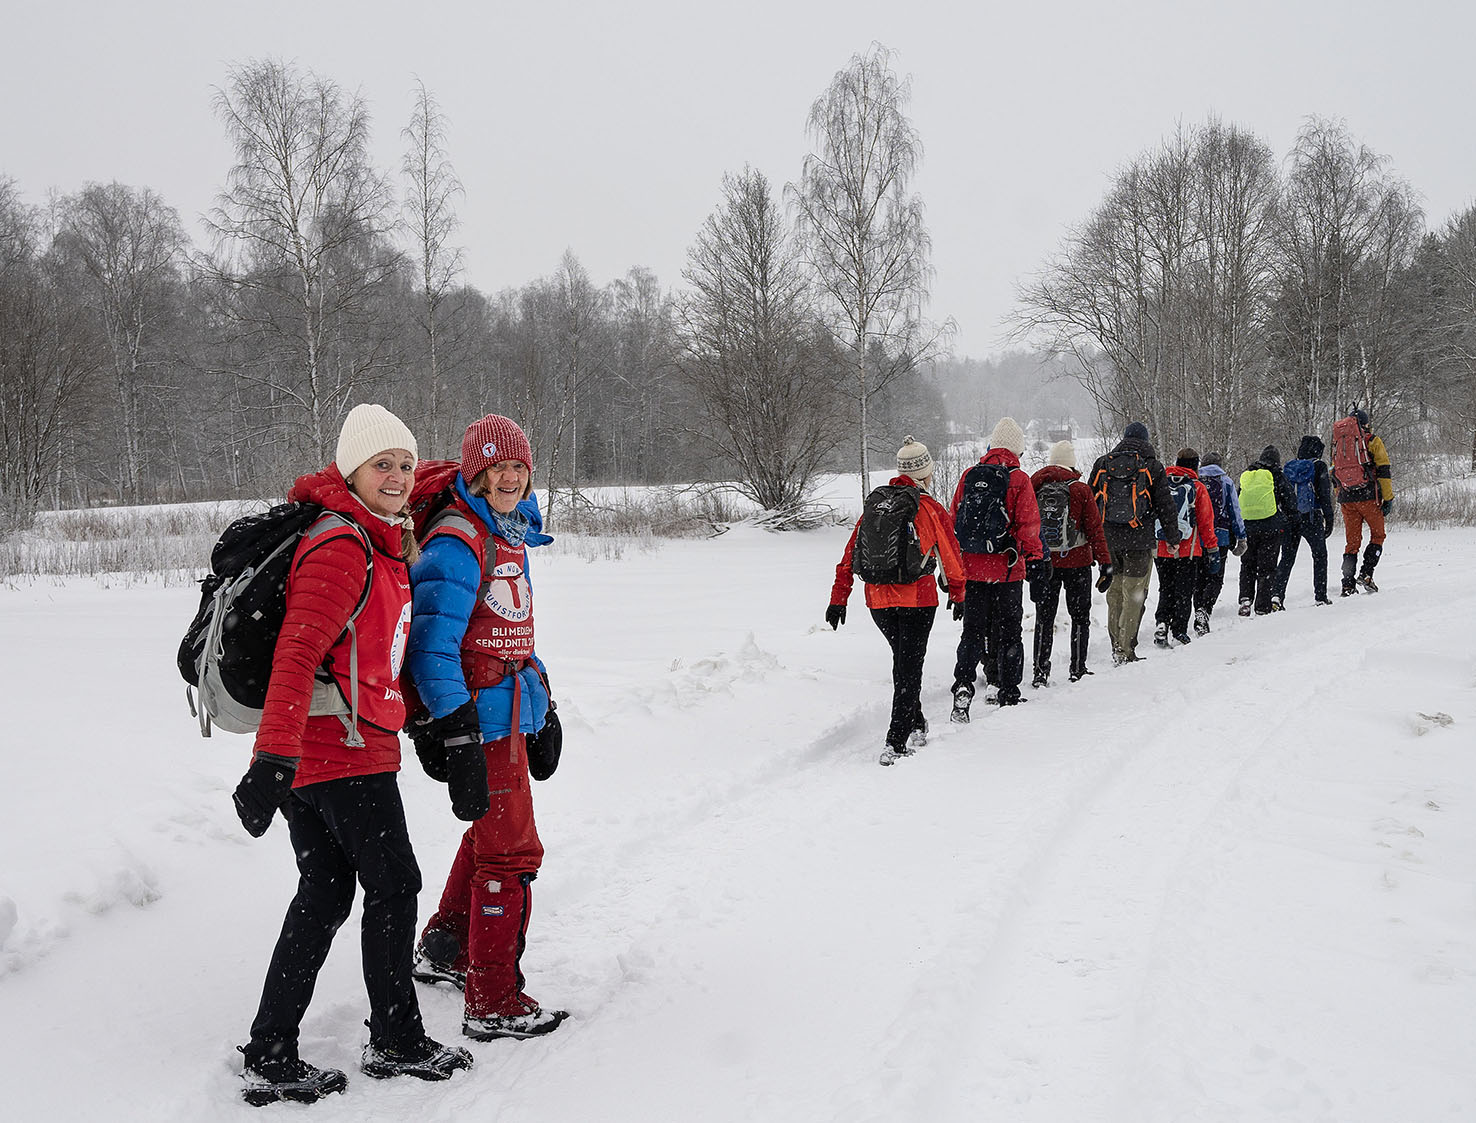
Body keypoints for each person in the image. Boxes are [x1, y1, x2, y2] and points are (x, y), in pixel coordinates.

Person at [232, 404, 473, 1106]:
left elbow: (376, 658)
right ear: (351, 470)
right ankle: (395, 1038)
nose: (397, 476)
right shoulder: (342, 545)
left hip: (337, 747)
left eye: (404, 462)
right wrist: (270, 760)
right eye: (382, 464)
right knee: (394, 883)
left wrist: (425, 727)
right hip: (338, 753)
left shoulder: (382, 540)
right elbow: (295, 654)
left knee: (326, 891)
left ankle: (270, 1047)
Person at [405, 414, 571, 1040]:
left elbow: (514, 635)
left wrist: (545, 704)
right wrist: (454, 729)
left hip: (508, 711)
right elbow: (431, 649)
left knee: (488, 834)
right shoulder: (457, 541)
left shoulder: (508, 533)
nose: (510, 478)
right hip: (478, 720)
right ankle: (494, 997)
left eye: (519, 468)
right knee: (511, 849)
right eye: (497, 467)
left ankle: (446, 945)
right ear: (475, 472)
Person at [828, 436, 965, 764]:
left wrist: (839, 598)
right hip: (917, 599)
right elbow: (950, 552)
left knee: (903, 662)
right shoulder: (928, 508)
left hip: (878, 601)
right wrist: (959, 593)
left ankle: (916, 723)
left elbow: (850, 554)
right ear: (925, 473)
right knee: (909, 667)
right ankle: (896, 740)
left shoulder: (876, 506)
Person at [949, 416, 1045, 714]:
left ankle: (964, 683)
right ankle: (1008, 690)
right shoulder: (1018, 479)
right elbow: (1028, 527)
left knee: (972, 631)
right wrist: (1036, 561)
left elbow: (954, 523)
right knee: (1009, 632)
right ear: (1017, 449)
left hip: (973, 571)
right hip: (1007, 570)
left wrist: (956, 573)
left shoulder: (969, 476)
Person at [1088, 422, 1182, 664]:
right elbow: (1165, 505)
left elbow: (1090, 501)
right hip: (1139, 539)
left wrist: (1092, 539)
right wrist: (1172, 538)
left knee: (1115, 591)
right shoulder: (1151, 466)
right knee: (1135, 593)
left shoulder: (1103, 463)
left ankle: (1115, 645)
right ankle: (1126, 648)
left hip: (1109, 539)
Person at [1028, 439, 1111, 686]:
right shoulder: (1081, 489)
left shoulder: (1034, 485)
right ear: (1071, 463)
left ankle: (1040, 672)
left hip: (1046, 563)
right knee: (1080, 617)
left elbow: (1027, 526)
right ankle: (1077, 668)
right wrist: (1105, 563)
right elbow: (1095, 529)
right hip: (1078, 562)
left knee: (1044, 617)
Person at [1152, 448, 1220, 647]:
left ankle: (1162, 622)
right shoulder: (1197, 487)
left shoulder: (1161, 482)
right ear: (1196, 465)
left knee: (1165, 588)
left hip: (1162, 547)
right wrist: (1212, 549)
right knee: (1184, 591)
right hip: (1188, 550)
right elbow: (1206, 523)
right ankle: (1179, 630)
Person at [1332, 408, 1394, 595]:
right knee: (1378, 535)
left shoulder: (1339, 443)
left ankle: (1347, 584)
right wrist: (1388, 497)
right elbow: (1383, 470)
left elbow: (1334, 473)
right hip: (1368, 497)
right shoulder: (1372, 440)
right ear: (1365, 424)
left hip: (1346, 498)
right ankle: (1366, 573)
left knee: (1352, 543)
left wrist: (1341, 494)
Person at [1273, 435, 1336, 607]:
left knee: (1287, 557)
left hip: (1290, 517)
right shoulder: (1319, 466)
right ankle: (1320, 596)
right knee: (1320, 555)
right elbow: (1324, 495)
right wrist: (1329, 518)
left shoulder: (1291, 467)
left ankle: (1277, 595)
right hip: (1311, 517)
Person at [1236, 445, 1296, 615]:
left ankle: (1245, 600)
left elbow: (1238, 497)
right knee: (1267, 567)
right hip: (1270, 527)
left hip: (1248, 526)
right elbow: (1290, 501)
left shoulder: (1249, 475)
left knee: (1247, 564)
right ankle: (1262, 606)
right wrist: (1290, 518)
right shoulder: (1276, 474)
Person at [1191, 452, 1246, 635]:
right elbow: (1235, 511)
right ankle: (1204, 611)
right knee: (1215, 578)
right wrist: (1241, 537)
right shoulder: (1226, 482)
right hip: (1219, 537)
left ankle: (1199, 610)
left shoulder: (1194, 481)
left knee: (1199, 579)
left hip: (1196, 539)